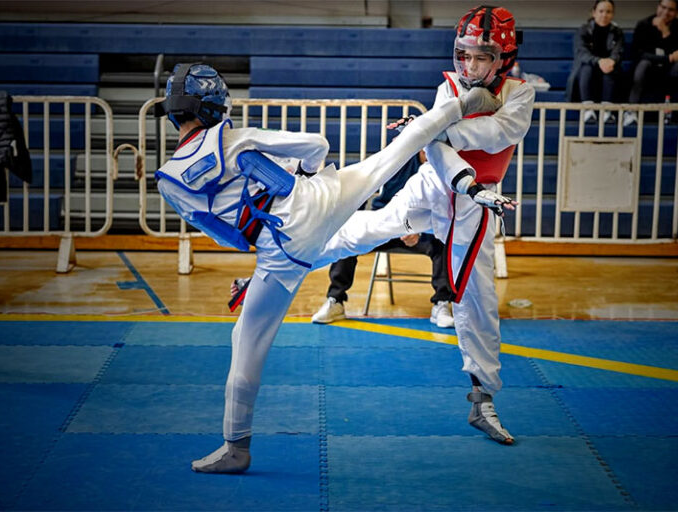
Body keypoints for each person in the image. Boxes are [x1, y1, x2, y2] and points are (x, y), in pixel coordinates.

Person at [153, 62, 502, 474]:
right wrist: (304, 175)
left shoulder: (168, 180)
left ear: (173, 112)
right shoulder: (233, 138)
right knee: (394, 154)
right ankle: (464, 105)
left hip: (281, 248)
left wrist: (263, 254)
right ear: (215, 105)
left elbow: (223, 233)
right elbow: (316, 144)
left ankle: (236, 447)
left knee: (246, 342)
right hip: (318, 199)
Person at [315, 5, 533, 445]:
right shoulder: (447, 85)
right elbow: (433, 150)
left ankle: (483, 400)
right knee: (366, 229)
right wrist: (448, 147)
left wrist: (442, 128)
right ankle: (282, 262)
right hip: (436, 185)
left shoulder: (519, 92)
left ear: (503, 59)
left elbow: (501, 134)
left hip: (475, 205)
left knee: (478, 300)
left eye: (482, 57)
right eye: (465, 55)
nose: (471, 66)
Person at [311, 150, 456, 328]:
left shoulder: (445, 169)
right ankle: (335, 300)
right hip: (385, 226)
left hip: (421, 233)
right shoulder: (399, 159)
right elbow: (367, 195)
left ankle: (442, 303)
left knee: (443, 242)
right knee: (351, 237)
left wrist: (417, 230)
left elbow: (444, 215)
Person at [623, 0, 678, 127]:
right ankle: (631, 110)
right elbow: (640, 54)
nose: (665, 12)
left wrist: (666, 33)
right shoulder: (644, 24)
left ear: (677, 12)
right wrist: (669, 58)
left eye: (671, 10)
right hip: (650, 70)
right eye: (663, 7)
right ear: (658, 6)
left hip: (670, 70)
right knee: (643, 64)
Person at [565, 0, 624, 123]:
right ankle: (588, 109)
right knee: (587, 67)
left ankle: (607, 110)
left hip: (608, 74)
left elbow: (618, 52)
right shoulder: (583, 30)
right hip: (586, 75)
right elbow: (582, 53)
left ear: (613, 14)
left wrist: (611, 61)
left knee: (610, 68)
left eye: (608, 12)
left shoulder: (617, 32)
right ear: (593, 13)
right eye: (601, 11)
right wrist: (599, 61)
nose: (604, 15)